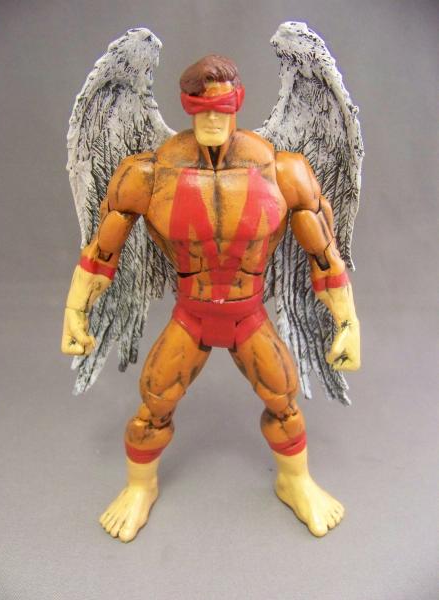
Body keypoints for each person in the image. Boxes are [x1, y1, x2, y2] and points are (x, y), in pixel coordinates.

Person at [62, 55, 360, 542]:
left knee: (283, 402)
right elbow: (101, 250)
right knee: (153, 405)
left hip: (249, 315)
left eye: (222, 107)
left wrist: (348, 322)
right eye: (201, 108)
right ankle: (140, 487)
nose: (212, 119)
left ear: (238, 103)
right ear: (187, 107)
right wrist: (75, 311)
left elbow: (324, 253)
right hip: (191, 316)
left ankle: (294, 480)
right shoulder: (150, 173)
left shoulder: (282, 171)